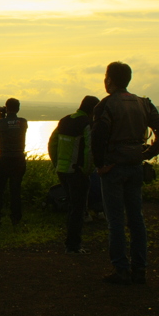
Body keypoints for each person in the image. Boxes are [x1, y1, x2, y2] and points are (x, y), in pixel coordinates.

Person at [91, 62, 159, 285]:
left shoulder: (106, 106)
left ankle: (121, 269)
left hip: (113, 167)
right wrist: (149, 152)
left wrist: (100, 164)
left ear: (109, 79)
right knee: (136, 219)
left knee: (115, 220)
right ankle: (140, 268)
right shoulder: (144, 103)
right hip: (135, 166)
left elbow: (97, 136)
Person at [49, 95, 101, 253]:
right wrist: (87, 170)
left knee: (72, 206)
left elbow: (52, 143)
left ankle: (70, 242)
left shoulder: (64, 120)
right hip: (77, 171)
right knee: (78, 209)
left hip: (62, 171)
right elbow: (90, 149)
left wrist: (56, 164)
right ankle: (73, 245)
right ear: (93, 110)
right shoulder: (87, 124)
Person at [0, 98, 28, 226]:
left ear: (7, 107)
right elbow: (13, 125)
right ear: (18, 108)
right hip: (18, 158)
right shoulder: (23, 122)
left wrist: (1, 116)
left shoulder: (0, 123)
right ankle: (16, 218)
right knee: (15, 189)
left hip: (4, 159)